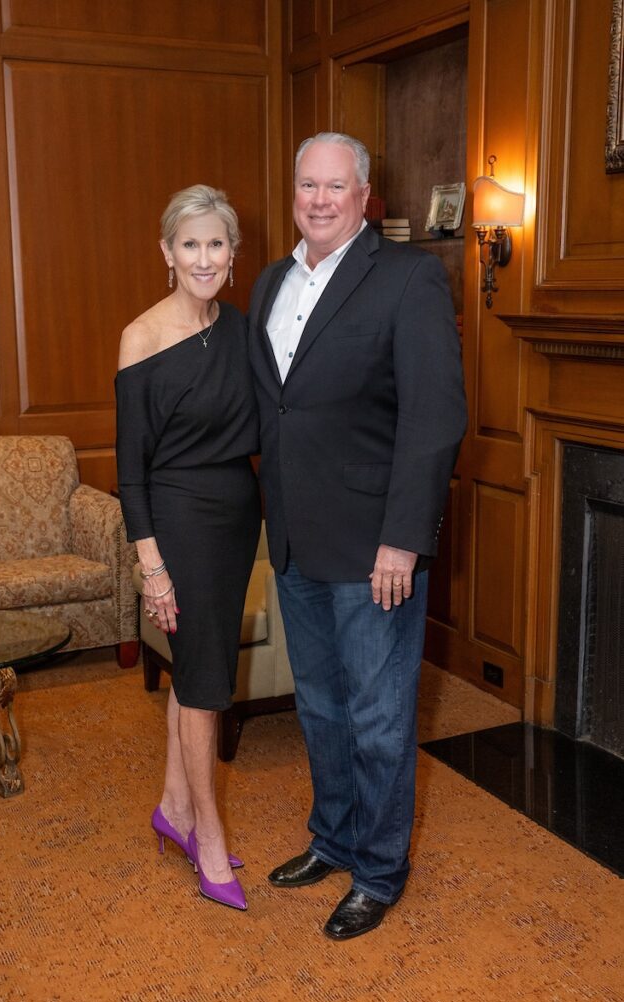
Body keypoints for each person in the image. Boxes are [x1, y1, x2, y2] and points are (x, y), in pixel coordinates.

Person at [248, 132, 467, 939]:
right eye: (306, 184)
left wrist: (403, 540)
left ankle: (377, 870)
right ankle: (332, 838)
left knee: (377, 716)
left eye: (334, 186)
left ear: (364, 195)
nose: (318, 199)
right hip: (297, 540)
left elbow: (434, 418)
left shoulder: (408, 278)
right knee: (320, 708)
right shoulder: (273, 279)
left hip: (376, 547)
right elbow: (272, 407)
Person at [115, 185, 261, 912]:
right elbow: (130, 468)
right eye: (190, 243)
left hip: (235, 520)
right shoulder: (141, 337)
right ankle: (206, 835)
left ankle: (173, 807)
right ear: (167, 252)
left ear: (232, 255)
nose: (204, 257)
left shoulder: (239, 329)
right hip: (177, 521)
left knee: (195, 669)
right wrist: (152, 566)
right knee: (206, 687)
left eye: (216, 244)